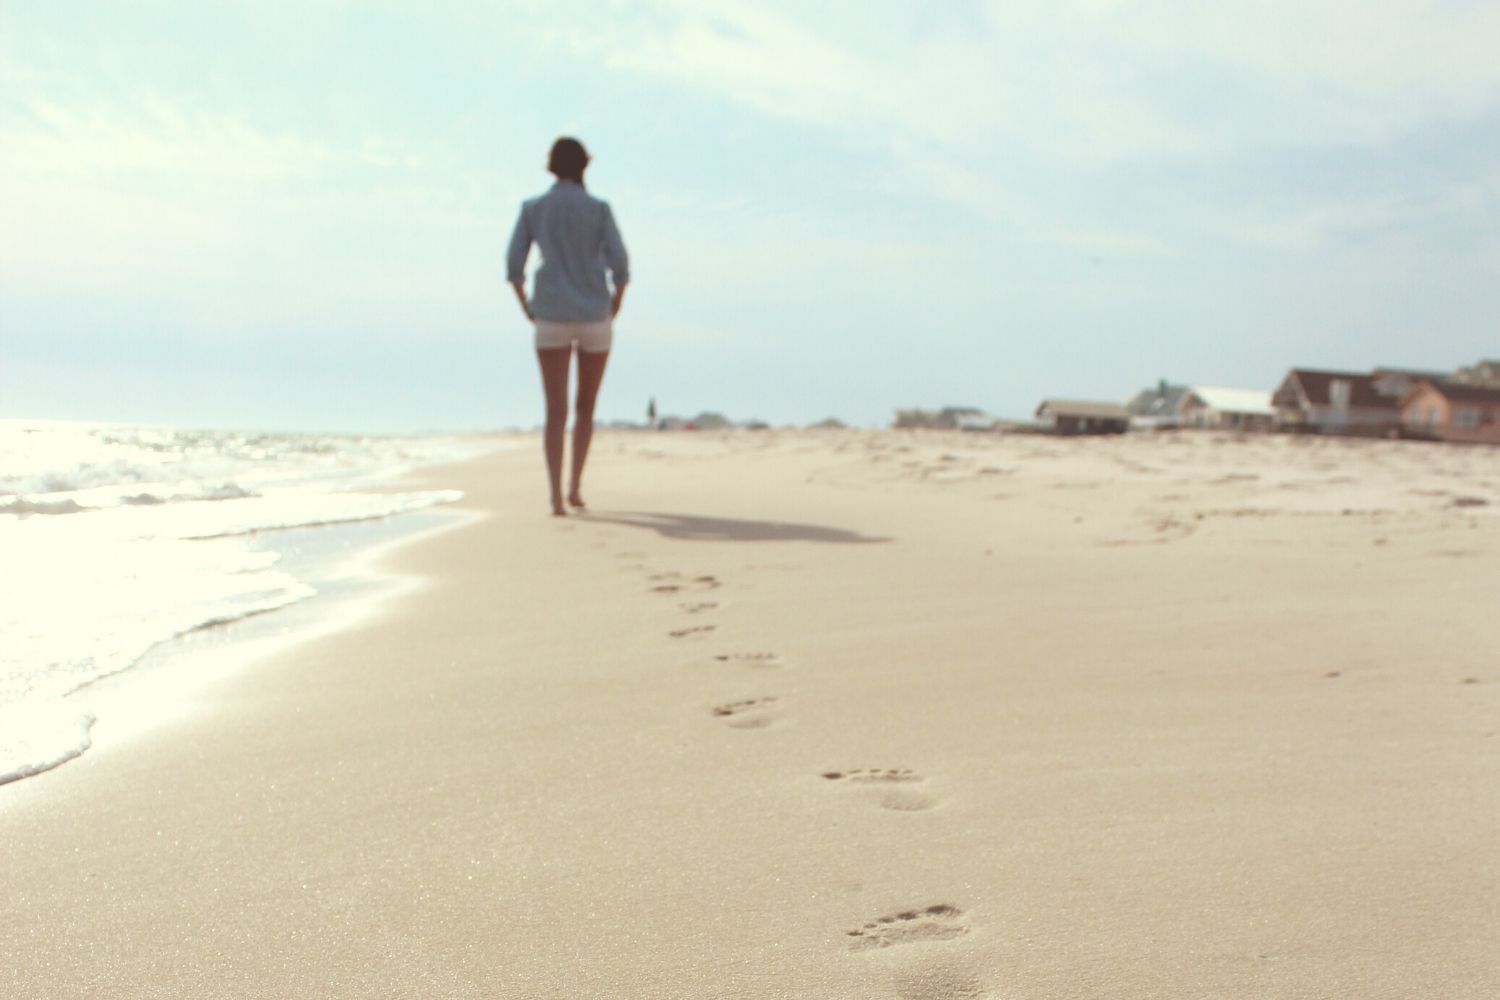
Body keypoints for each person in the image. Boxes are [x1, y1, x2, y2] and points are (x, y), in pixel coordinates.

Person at [507, 137, 630, 516]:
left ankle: (555, 497)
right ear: (584, 167)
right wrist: (615, 305)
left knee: (555, 411)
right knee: (585, 408)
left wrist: (526, 305)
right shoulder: (598, 209)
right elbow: (621, 266)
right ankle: (576, 486)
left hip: (550, 314)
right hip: (595, 311)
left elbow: (514, 266)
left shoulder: (534, 208)